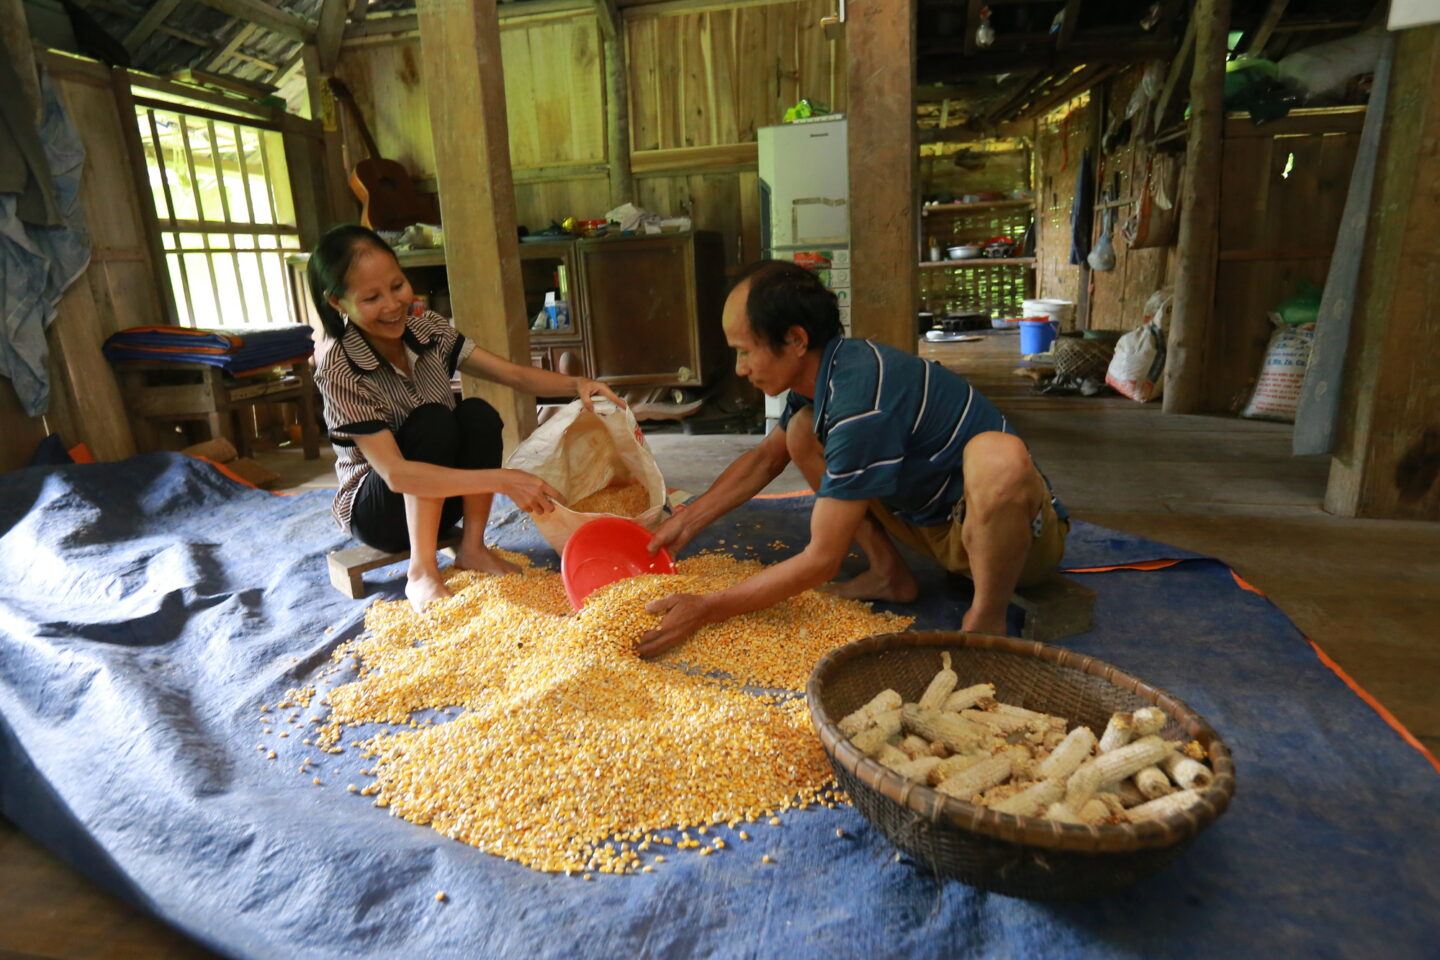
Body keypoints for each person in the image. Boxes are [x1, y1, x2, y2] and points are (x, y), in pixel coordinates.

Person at [637, 259, 1069, 656]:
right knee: (801, 432)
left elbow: (822, 558)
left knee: (999, 457)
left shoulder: (861, 399)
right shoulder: (827, 375)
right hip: (933, 524)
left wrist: (708, 607)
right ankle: (889, 574)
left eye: (745, 351)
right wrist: (687, 519)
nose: (739, 369)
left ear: (796, 340)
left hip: (1011, 544)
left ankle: (986, 619)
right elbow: (765, 460)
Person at [308, 224, 624, 613]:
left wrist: (576, 383)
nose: (392, 304)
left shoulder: (430, 330)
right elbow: (397, 475)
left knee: (477, 414)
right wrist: (504, 480)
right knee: (434, 421)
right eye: (371, 297)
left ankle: (472, 548)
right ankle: (421, 571)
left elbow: (512, 374)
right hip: (380, 513)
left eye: (397, 285)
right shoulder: (339, 369)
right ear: (338, 303)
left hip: (445, 499)